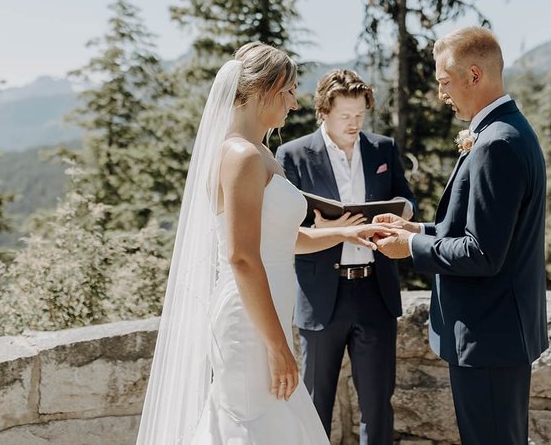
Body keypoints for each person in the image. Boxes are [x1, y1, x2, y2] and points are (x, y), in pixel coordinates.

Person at [136, 43, 396, 444]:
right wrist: (277, 346)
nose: (294, 104)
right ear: (264, 90)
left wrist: (344, 232)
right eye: (289, 91)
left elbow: (282, 239)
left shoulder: (261, 154)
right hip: (248, 319)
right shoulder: (240, 156)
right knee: (252, 423)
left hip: (269, 309)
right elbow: (241, 256)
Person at [373, 26, 549, 445]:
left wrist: (410, 247)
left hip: (488, 336)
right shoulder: (506, 130)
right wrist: (416, 229)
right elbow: (481, 231)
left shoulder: (496, 144)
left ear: (475, 75)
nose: (441, 94)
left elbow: (482, 253)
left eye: (444, 82)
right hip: (498, 333)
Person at [275, 69, 417, 445]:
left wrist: (400, 214)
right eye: (345, 116)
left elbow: (407, 199)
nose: (354, 123)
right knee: (313, 403)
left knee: (377, 404)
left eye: (360, 115)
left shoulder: (383, 149)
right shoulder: (292, 155)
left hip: (376, 292)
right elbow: (282, 226)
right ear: (324, 111)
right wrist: (322, 227)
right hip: (322, 295)